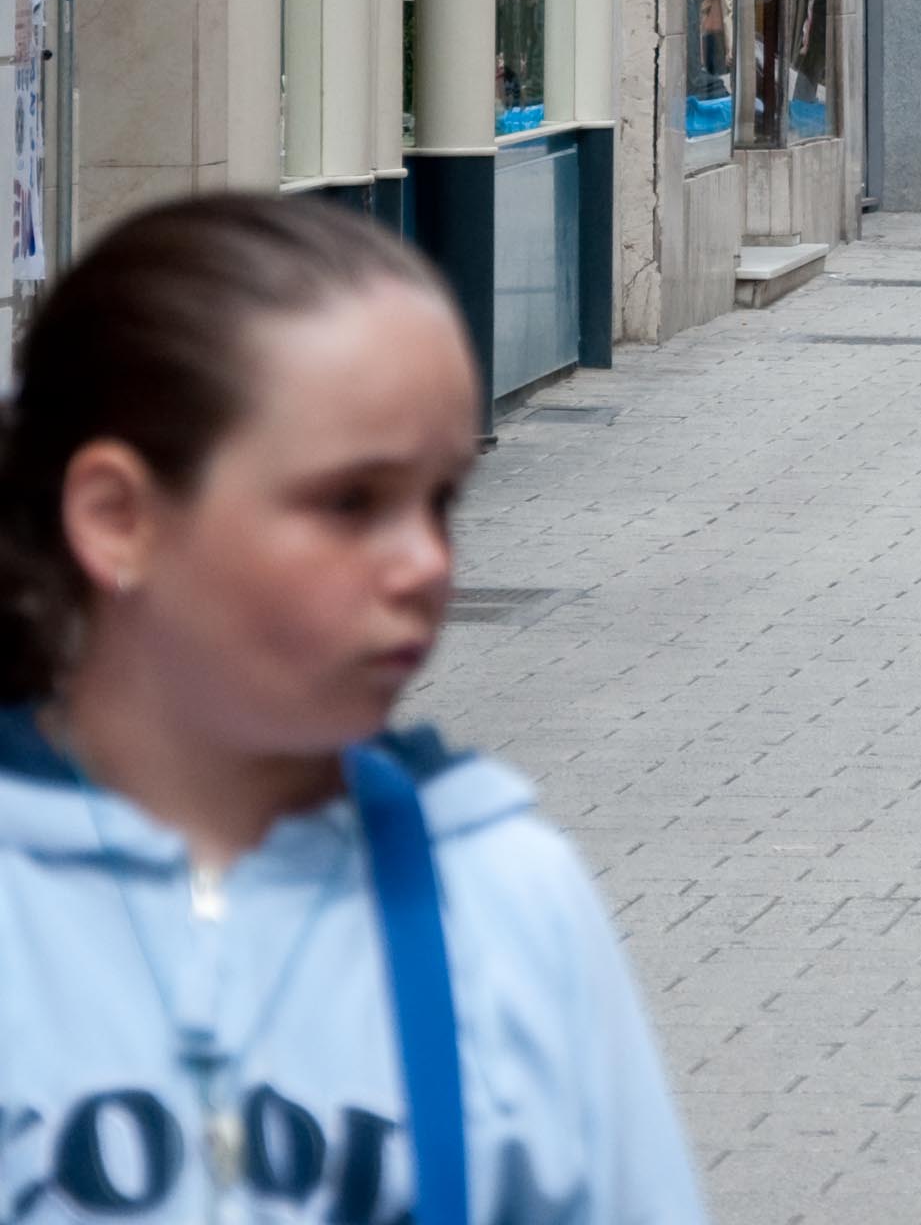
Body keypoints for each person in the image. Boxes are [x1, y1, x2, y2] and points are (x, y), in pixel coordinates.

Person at [0, 197, 708, 1220]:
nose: (426, 563)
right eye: (350, 503)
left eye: (442, 500)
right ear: (119, 517)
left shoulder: (502, 902)